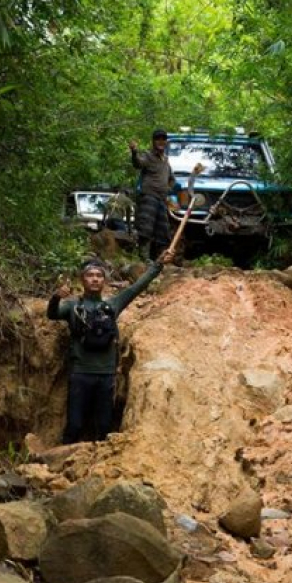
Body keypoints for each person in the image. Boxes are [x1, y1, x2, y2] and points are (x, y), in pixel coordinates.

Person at [47, 255, 171, 445]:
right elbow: (52, 314)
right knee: (75, 425)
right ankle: (60, 464)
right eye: (90, 275)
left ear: (104, 280)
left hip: (106, 375)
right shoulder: (73, 306)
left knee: (104, 426)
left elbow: (136, 288)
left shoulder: (112, 305)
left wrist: (159, 264)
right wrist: (56, 297)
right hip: (80, 373)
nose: (95, 279)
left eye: (99, 275)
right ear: (82, 279)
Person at [128, 128, 175, 261]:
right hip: (149, 196)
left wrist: (167, 189)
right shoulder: (148, 156)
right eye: (158, 139)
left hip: (161, 199)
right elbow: (138, 163)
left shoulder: (165, 160)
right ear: (153, 141)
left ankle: (160, 260)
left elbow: (171, 178)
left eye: (163, 139)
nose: (161, 141)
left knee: (163, 230)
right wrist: (134, 151)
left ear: (166, 142)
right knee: (145, 229)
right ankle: (144, 259)